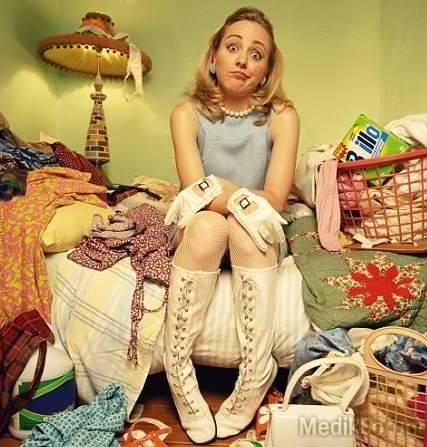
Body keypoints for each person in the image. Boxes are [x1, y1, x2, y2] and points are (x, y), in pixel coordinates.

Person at [163, 6, 300, 444]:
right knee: (208, 226)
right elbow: (195, 195)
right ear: (214, 57)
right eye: (233, 47)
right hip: (202, 229)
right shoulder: (185, 114)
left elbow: (275, 199)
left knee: (244, 226)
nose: (243, 59)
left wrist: (223, 188)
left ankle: (256, 372)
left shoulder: (282, 116)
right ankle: (178, 371)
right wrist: (232, 194)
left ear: (267, 69)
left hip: (252, 230)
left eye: (256, 54)